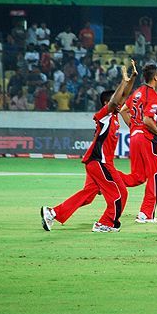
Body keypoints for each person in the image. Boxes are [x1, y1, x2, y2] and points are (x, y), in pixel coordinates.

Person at [40, 62, 137, 233]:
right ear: (107, 102)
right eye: (117, 100)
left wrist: (131, 79)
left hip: (100, 162)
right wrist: (123, 82)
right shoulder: (104, 115)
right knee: (118, 194)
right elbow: (115, 100)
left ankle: (52, 212)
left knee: (89, 195)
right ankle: (105, 223)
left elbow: (123, 96)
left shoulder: (114, 116)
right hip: (99, 162)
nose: (122, 102)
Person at [118, 64, 157, 223]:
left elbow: (123, 110)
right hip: (147, 139)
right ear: (155, 77)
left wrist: (134, 127)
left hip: (134, 137)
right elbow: (147, 120)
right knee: (155, 176)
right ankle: (146, 214)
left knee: (138, 177)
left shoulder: (137, 92)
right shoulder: (154, 95)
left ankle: (108, 178)